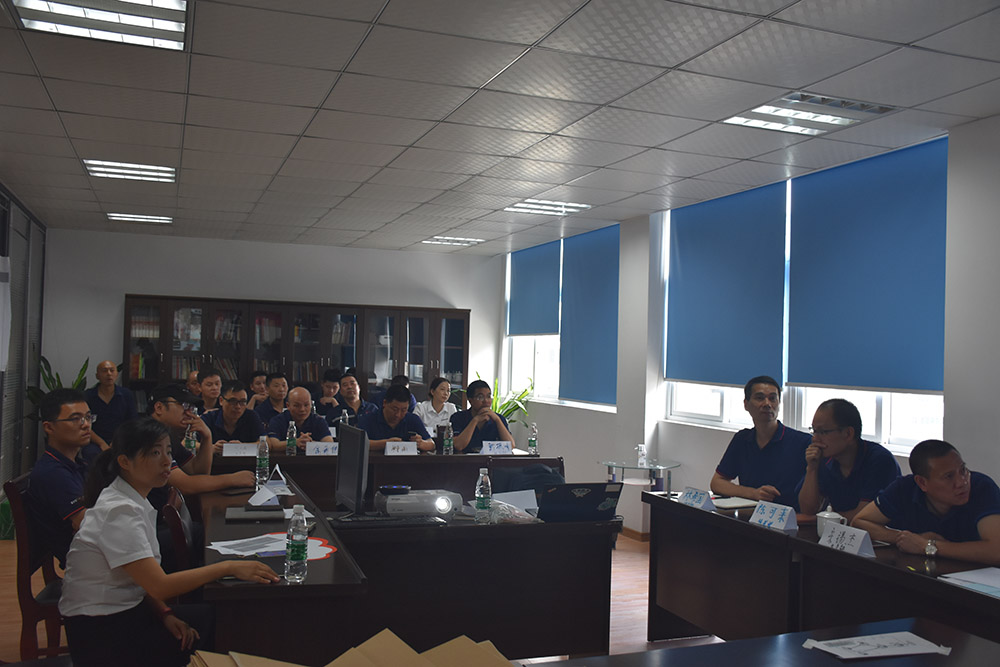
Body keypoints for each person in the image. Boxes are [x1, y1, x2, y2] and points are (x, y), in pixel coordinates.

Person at [59, 417, 278, 667]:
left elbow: (139, 580)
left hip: (124, 610)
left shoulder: (130, 499)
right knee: (224, 624)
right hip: (101, 631)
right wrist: (228, 567)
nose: (166, 461)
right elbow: (159, 586)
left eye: (168, 452)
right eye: (155, 453)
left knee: (212, 617)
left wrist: (165, 613)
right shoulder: (119, 512)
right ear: (124, 462)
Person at [852, 440, 1000, 565]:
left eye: (963, 470)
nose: (962, 482)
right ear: (922, 483)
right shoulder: (905, 488)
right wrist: (904, 538)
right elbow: (860, 522)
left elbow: (996, 550)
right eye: (949, 476)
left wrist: (928, 546)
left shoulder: (981, 488)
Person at [710, 376, 811, 508]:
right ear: (746, 404)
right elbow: (717, 483)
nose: (767, 404)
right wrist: (753, 493)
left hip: (789, 516)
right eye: (760, 398)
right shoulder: (742, 439)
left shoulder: (802, 442)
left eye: (772, 398)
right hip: (749, 513)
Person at [797, 398, 900, 520]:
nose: (815, 439)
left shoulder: (880, 460)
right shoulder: (824, 458)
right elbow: (808, 510)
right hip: (839, 529)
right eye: (814, 431)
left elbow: (864, 517)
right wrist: (812, 468)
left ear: (848, 434)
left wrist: (822, 519)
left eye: (823, 432)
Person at [28, 388, 94, 568]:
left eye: (88, 417)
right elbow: (87, 523)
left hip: (97, 550)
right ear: (49, 427)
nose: (86, 425)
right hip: (87, 559)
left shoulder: (78, 464)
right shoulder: (52, 473)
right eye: (75, 419)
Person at [359, 384, 434, 452]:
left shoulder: (413, 419)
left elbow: (431, 444)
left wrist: (420, 443)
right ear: (384, 403)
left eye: (403, 410)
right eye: (394, 409)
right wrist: (386, 443)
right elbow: (359, 443)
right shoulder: (368, 419)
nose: (398, 414)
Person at [85, 360, 137, 455]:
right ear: (97, 376)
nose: (109, 374)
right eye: (104, 371)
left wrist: (117, 442)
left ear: (116, 374)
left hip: (121, 439)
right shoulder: (88, 396)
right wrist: (101, 443)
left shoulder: (126, 395)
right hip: (95, 441)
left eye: (112, 370)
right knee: (91, 453)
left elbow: (131, 423)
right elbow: (85, 424)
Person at [450, 379, 514, 454]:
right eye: (480, 397)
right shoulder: (458, 417)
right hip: (465, 460)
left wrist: (497, 420)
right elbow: (458, 446)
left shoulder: (498, 418)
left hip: (491, 460)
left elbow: (511, 446)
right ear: (471, 401)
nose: (486, 401)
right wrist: (475, 420)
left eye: (488, 396)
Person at [267, 386, 333, 453]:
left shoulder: (318, 421)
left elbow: (330, 444)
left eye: (306, 405)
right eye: (297, 405)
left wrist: (310, 443)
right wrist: (294, 442)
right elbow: (273, 445)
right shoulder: (278, 420)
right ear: (288, 406)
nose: (302, 409)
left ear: (311, 404)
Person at [202, 380, 265, 449]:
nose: (238, 406)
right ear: (221, 401)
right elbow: (193, 443)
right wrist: (211, 448)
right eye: (233, 401)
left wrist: (242, 447)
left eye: (242, 402)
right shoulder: (209, 418)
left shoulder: (251, 416)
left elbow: (265, 442)